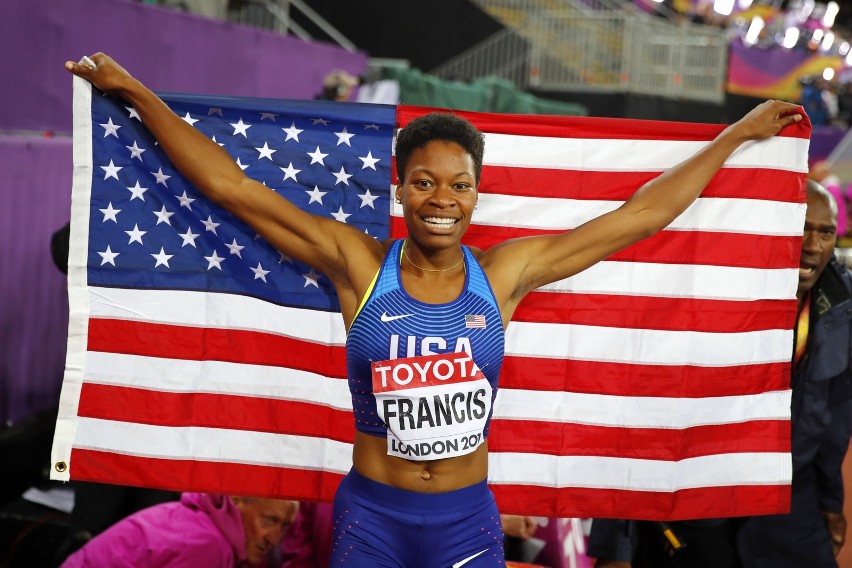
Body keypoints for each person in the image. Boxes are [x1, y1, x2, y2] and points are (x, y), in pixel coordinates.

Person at [66, 52, 801, 566]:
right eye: (424, 183)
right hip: (373, 519)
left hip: (464, 520)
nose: (442, 199)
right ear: (401, 190)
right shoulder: (359, 266)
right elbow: (233, 190)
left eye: (458, 185)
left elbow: (637, 218)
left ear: (477, 193)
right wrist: (137, 93)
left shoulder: (506, 273)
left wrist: (735, 135)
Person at [588, 180, 852, 568]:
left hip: (788, 501)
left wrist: (830, 502)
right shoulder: (707, 300)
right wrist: (616, 545)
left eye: (825, 232)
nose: (813, 245)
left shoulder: (840, 307)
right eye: (802, 228)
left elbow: (834, 416)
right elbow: (638, 419)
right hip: (697, 498)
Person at [61, 493, 298, 567]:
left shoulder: (202, 519)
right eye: (268, 520)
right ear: (238, 501)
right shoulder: (210, 545)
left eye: (284, 526)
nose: (274, 538)